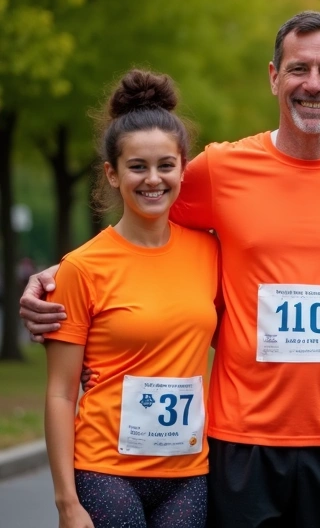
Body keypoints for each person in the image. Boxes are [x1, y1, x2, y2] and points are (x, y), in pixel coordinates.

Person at [24, 11, 320, 528]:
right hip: (239, 440)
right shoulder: (218, 170)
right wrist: (66, 270)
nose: (314, 84)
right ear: (274, 77)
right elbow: (142, 208)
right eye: (299, 68)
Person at [44, 70, 218, 528]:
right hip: (107, 470)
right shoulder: (82, 268)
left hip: (189, 473)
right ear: (113, 173)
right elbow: (61, 393)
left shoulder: (210, 251)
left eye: (166, 165)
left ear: (184, 166)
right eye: (137, 167)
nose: (153, 180)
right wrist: (67, 504)